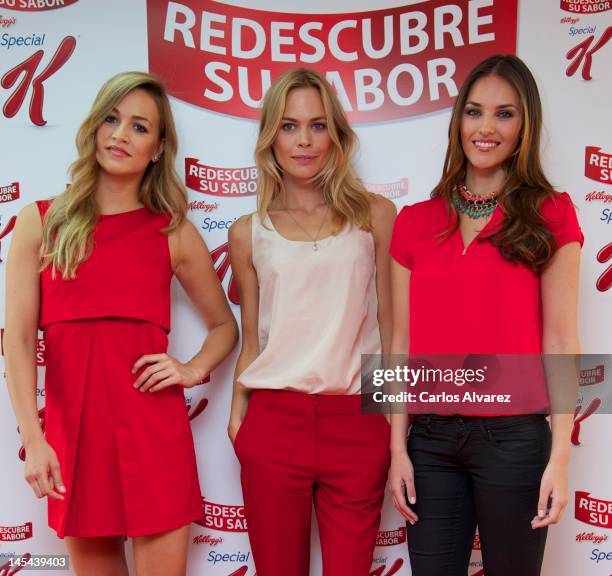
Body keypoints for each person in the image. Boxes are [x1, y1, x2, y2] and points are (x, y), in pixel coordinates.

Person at [4, 71, 238, 576]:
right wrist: (34, 438)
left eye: (138, 126)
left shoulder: (172, 231)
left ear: (157, 148)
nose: (119, 135)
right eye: (112, 119)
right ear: (94, 128)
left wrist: (192, 369)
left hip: (155, 435)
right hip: (74, 439)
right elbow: (19, 341)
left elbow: (225, 327)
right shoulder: (39, 221)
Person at [388, 54, 583, 576]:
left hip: (516, 440)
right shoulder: (414, 222)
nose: (486, 128)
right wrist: (395, 450)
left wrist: (561, 458)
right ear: (458, 121)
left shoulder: (552, 213)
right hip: (427, 442)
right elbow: (399, 342)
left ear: (525, 125)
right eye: (474, 112)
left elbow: (562, 341)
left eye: (505, 114)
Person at [228, 67, 396, 576]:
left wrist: (393, 419)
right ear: (270, 137)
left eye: (318, 126)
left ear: (337, 136)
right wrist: (239, 416)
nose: (304, 140)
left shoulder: (376, 216)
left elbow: (391, 327)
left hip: (357, 420)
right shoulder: (247, 232)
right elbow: (254, 334)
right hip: (273, 422)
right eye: (288, 125)